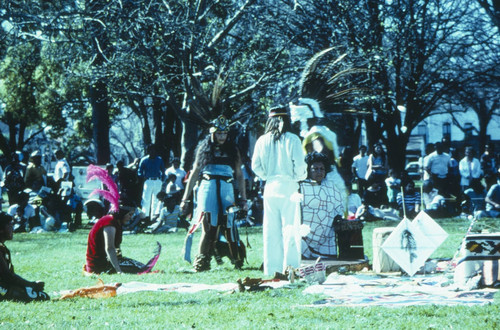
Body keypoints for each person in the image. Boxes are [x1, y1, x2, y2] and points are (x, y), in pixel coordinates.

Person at [180, 115, 247, 272]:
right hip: (208, 187)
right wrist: (185, 199)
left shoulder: (233, 150)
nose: (222, 137)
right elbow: (195, 172)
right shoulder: (204, 148)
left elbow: (239, 174)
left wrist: (243, 198)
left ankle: (236, 257)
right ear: (212, 133)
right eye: (219, 133)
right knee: (208, 225)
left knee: (229, 223)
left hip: (227, 188)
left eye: (224, 134)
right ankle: (202, 261)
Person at [251, 106, 307, 276]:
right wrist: (298, 177)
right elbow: (300, 165)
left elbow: (255, 166)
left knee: (271, 230)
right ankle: (291, 268)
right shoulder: (293, 139)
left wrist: (267, 176)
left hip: (270, 188)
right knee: (290, 229)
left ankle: (272, 268)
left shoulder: (262, 140)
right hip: (288, 187)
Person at [85, 164, 160, 274]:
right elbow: (109, 248)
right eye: (129, 214)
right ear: (122, 213)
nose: (130, 217)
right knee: (141, 269)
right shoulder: (109, 223)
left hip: (106, 261)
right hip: (99, 266)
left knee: (142, 267)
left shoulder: (116, 223)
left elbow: (115, 249)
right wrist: (119, 271)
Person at [300, 152, 345, 259]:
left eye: (322, 169)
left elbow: (339, 208)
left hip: (326, 235)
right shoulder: (301, 186)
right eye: (315, 169)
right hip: (305, 235)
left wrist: (338, 217)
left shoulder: (331, 187)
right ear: (308, 170)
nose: (319, 172)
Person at [0, 211, 50, 302]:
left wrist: (27, 285)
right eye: (9, 225)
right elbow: (7, 276)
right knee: (25, 295)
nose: (12, 228)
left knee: (34, 294)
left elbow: (9, 276)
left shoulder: (3, 248)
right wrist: (31, 284)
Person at [138, 144, 165, 219]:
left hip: (157, 180)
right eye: (150, 150)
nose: (152, 152)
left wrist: (162, 180)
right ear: (148, 151)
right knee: (146, 199)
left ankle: (154, 217)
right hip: (148, 181)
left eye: (153, 150)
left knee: (156, 199)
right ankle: (145, 217)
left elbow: (163, 170)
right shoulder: (144, 160)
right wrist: (143, 177)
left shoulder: (159, 159)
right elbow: (139, 171)